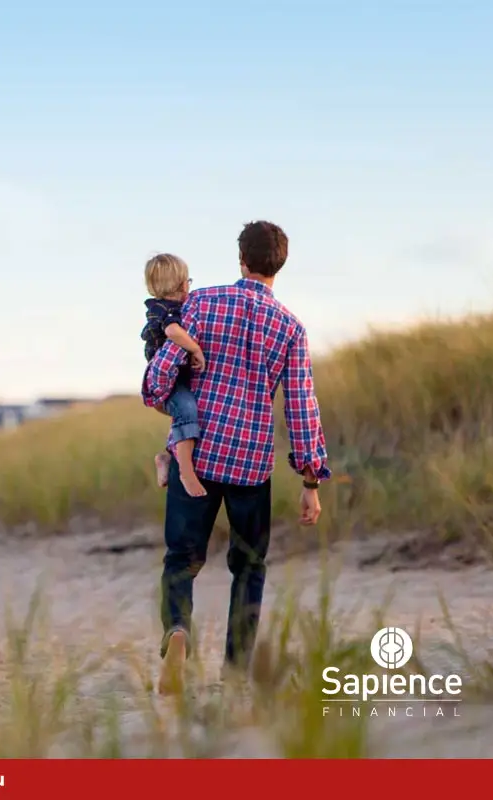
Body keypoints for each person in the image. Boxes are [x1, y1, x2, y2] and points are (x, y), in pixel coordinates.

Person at [142, 220, 330, 694]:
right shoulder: (290, 327)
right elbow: (302, 405)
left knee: (181, 560)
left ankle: (178, 631)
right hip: (250, 464)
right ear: (279, 265)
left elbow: (161, 373)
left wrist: (161, 395)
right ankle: (237, 671)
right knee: (249, 567)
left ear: (240, 258)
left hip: (199, 456)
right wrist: (310, 482)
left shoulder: (202, 302)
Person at [141, 254, 208, 498]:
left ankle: (167, 459)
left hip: (177, 379)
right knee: (187, 410)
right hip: (167, 383)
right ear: (182, 285)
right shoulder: (163, 310)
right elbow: (172, 332)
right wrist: (195, 348)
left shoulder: (172, 307)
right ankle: (186, 472)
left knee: (187, 416)